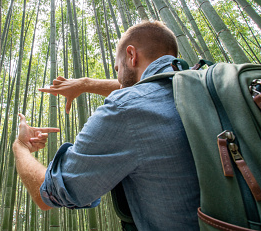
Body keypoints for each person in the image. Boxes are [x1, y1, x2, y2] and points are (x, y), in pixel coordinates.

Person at [12, 21, 200, 230]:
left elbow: (47, 193)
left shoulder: (125, 110)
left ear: (132, 54)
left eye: (117, 68)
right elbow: (150, 85)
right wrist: (84, 84)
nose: (118, 78)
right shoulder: (210, 85)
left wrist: (21, 147)